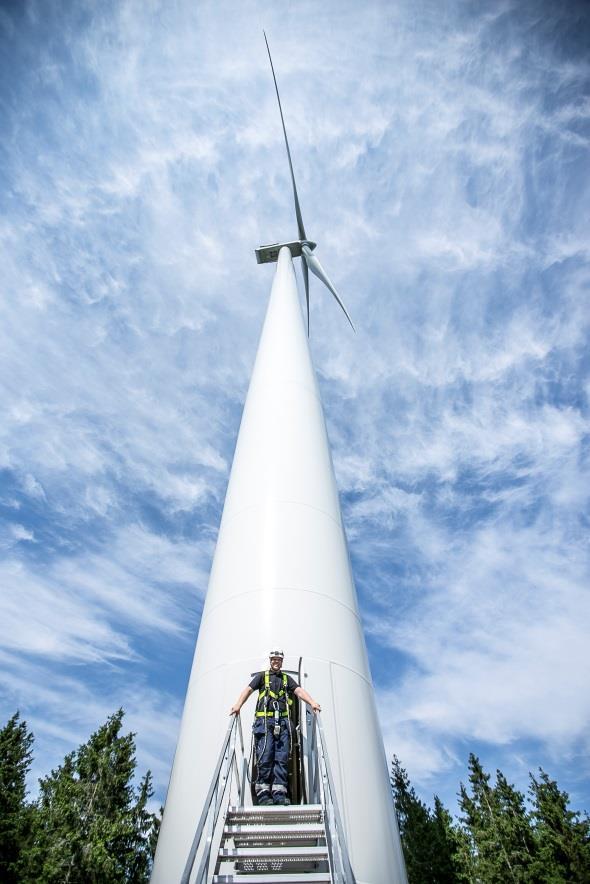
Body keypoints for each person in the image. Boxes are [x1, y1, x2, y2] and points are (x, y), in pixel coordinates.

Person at [230, 650, 321, 805]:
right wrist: (238, 705)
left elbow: (299, 691)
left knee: (281, 757)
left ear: (282, 661)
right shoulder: (261, 677)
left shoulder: (286, 679)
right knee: (265, 756)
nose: (276, 662)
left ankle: (279, 794)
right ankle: (264, 794)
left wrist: (312, 702)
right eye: (274, 659)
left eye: (278, 659)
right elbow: (248, 690)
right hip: (264, 722)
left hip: (283, 723)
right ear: (270, 660)